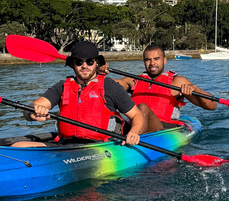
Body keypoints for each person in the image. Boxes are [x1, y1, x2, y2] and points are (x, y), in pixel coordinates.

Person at [12, 41, 148, 147]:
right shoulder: (61, 86)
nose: (84, 66)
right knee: (18, 146)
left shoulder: (111, 87)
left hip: (101, 145)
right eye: (79, 62)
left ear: (96, 63)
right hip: (66, 144)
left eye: (89, 61)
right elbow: (30, 109)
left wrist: (134, 132)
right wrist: (33, 113)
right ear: (72, 64)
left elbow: (136, 115)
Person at [106, 44, 217, 133]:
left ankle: (133, 145)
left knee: (143, 108)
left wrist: (196, 89)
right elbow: (109, 85)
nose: (152, 63)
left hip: (163, 130)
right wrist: (99, 73)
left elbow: (212, 106)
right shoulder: (133, 81)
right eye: (148, 60)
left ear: (164, 60)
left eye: (156, 59)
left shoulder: (177, 82)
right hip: (134, 127)